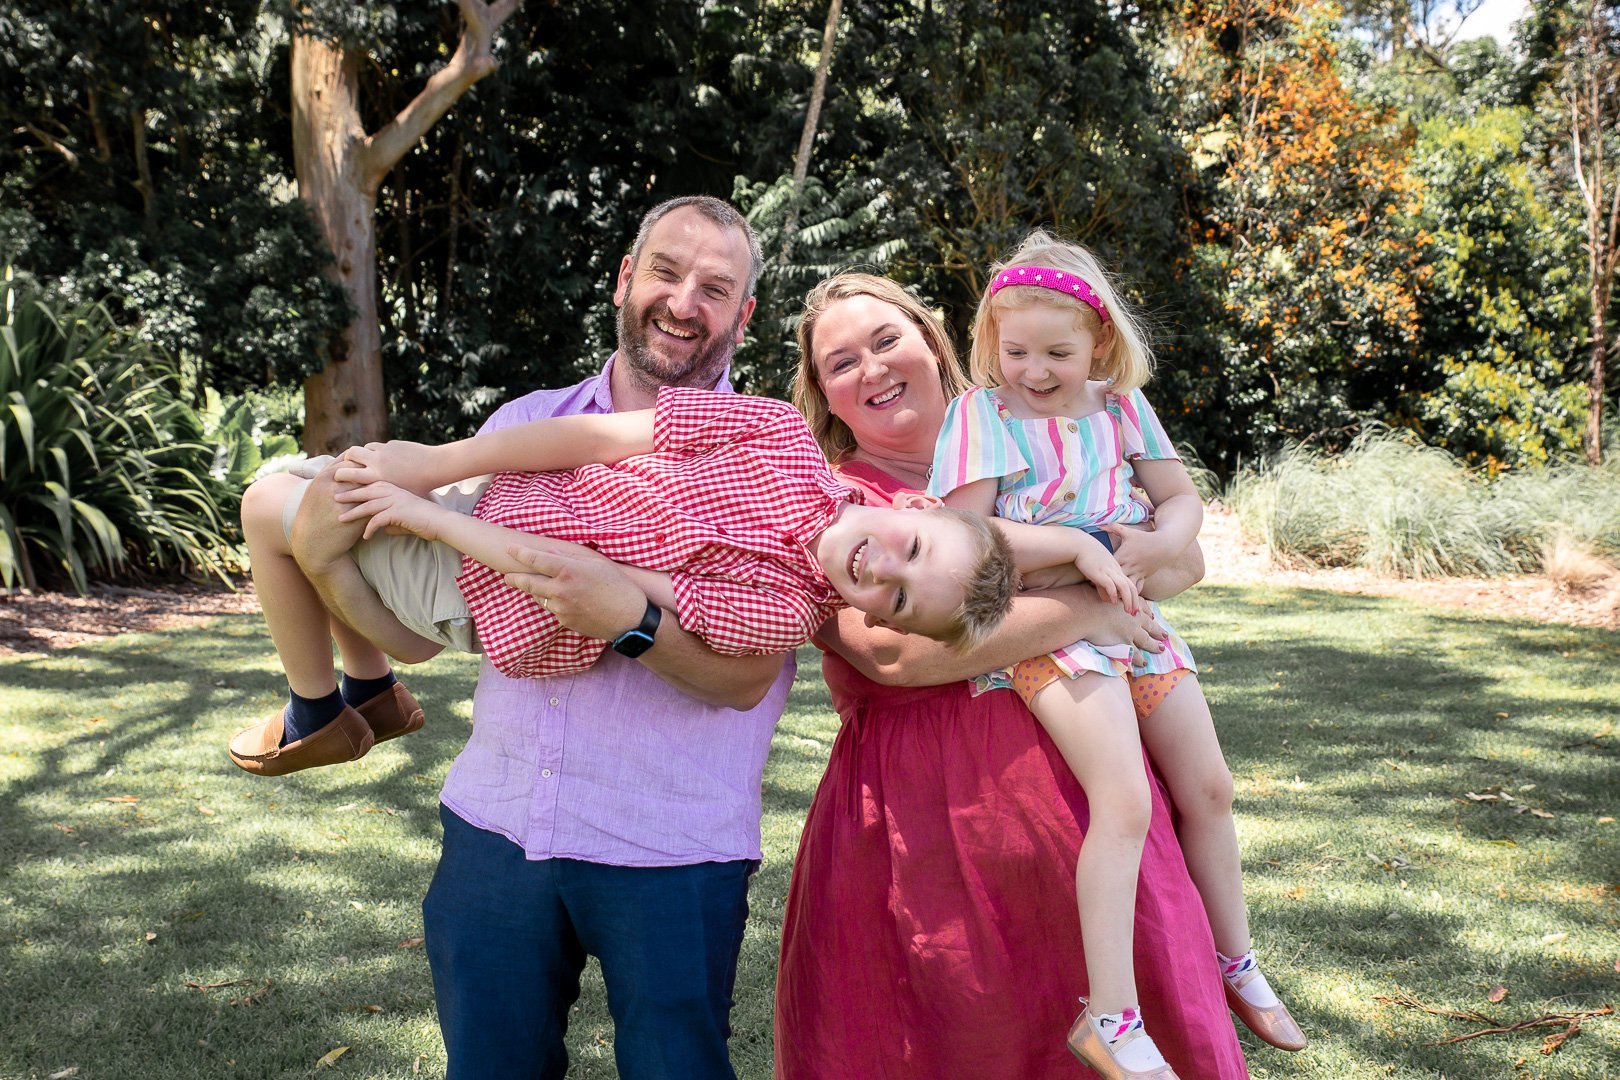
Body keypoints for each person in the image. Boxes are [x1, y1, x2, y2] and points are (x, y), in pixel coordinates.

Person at [259, 197, 787, 1079]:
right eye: (665, 271)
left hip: (670, 847)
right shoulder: (519, 424)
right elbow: (425, 639)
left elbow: (744, 678)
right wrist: (324, 567)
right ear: (626, 277)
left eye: (715, 287)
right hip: (497, 828)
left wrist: (631, 621)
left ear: (745, 315)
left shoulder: (760, 446)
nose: (684, 302)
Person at [774, 271, 1254, 1079]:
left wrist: (1103, 565)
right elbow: (892, 653)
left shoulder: (1033, 434)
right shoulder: (835, 504)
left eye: (887, 340)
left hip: (1083, 795)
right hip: (923, 820)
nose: (873, 368)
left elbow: (1180, 564)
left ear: (933, 342)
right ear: (824, 396)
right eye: (841, 362)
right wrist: (1089, 608)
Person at [926, 231, 1304, 1078]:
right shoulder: (981, 414)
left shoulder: (1123, 407)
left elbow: (1180, 503)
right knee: (1125, 801)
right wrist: (1081, 544)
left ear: (1098, 340)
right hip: (1049, 630)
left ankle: (1235, 960)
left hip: (1136, 620)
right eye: (1014, 349)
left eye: (1056, 352)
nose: (1033, 370)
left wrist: (1155, 544)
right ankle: (1111, 1013)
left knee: (1209, 787)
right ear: (993, 341)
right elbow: (970, 530)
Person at [226, 386, 1022, 776]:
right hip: (481, 500)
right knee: (306, 498)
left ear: (883, 621)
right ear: (914, 503)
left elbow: (577, 575)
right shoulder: (779, 430)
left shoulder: (776, 611)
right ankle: (366, 693)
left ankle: (318, 711)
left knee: (268, 508)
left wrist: (419, 514)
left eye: (901, 601)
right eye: (912, 546)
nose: (883, 570)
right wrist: (437, 465)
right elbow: (601, 435)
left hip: (480, 576)